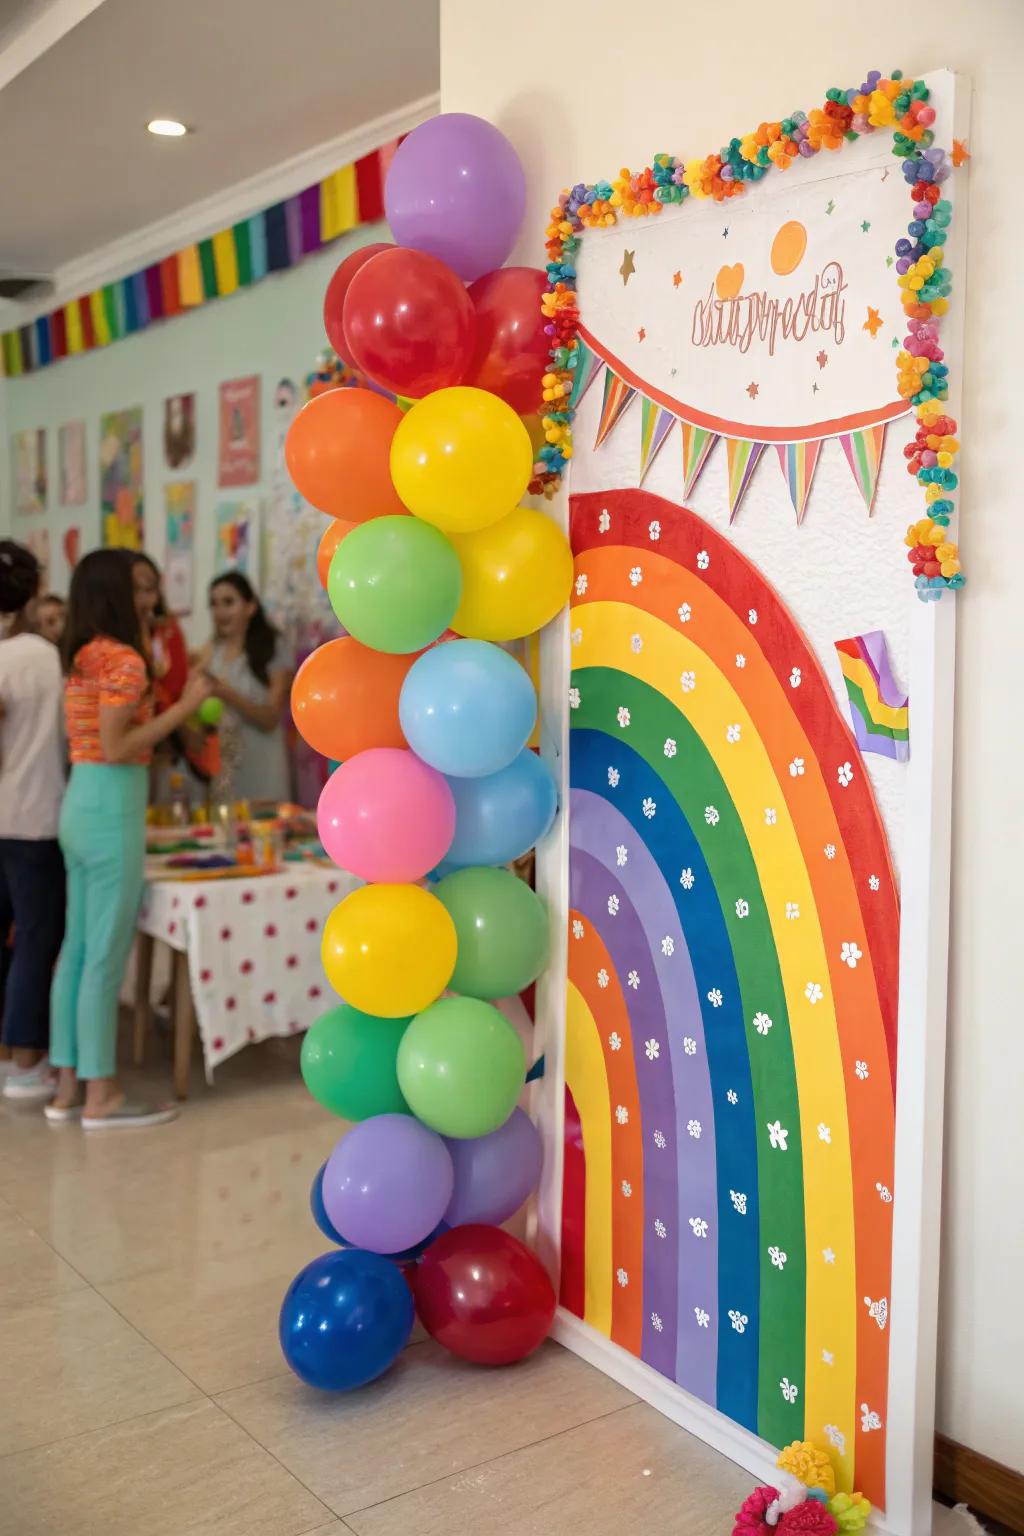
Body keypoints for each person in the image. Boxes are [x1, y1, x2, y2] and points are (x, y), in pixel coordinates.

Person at [48, 549, 211, 1128]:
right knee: (104, 957)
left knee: (77, 951)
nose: (152, 602)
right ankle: (102, 1095)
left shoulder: (84, 654)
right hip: (111, 805)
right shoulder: (123, 660)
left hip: (81, 802)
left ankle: (68, 1085)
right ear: (117, 591)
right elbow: (119, 746)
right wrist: (187, 706)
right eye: (142, 589)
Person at [0, 543, 66, 1101]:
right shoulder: (41, 656)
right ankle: (26, 1058)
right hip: (33, 816)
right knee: (36, 937)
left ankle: (6, 1051)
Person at [196, 572, 293, 805]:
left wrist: (227, 694)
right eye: (214, 604)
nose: (220, 612)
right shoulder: (211, 650)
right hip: (225, 770)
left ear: (250, 607)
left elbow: (270, 718)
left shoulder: (274, 647)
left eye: (228, 602)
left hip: (264, 769)